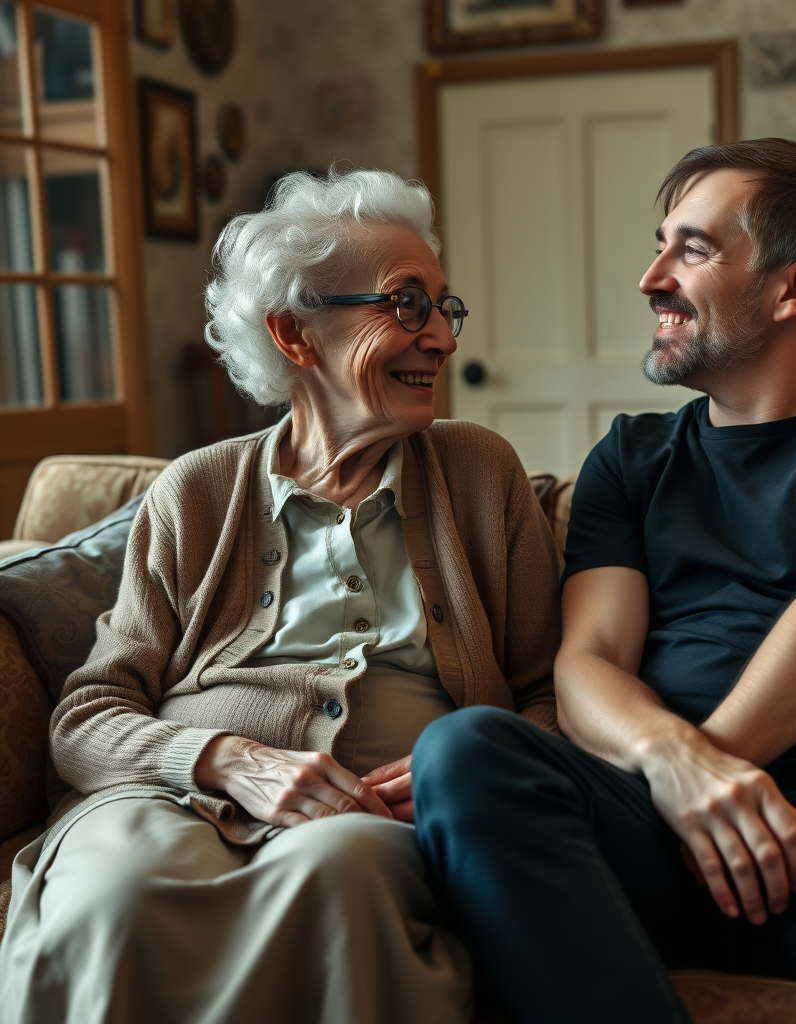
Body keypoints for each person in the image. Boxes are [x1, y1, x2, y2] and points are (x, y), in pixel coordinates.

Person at [412, 138, 796, 1023]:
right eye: (660, 243)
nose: (651, 277)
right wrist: (677, 767)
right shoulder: (633, 455)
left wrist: (715, 768)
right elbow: (588, 660)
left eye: (692, 248)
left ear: (794, 288)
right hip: (646, 799)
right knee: (466, 750)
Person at [0, 168, 561, 1024]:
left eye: (444, 308)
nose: (441, 339)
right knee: (113, 897)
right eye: (407, 304)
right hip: (170, 801)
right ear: (296, 335)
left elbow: (549, 696)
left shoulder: (481, 473)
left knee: (339, 880)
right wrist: (229, 761)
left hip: (367, 820)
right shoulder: (195, 492)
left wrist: (473, 771)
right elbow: (84, 721)